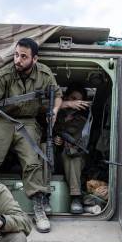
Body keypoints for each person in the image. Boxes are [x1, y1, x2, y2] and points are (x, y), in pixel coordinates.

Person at [0, 38, 62, 233]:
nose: (18, 60)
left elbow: (57, 95)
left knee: (32, 161)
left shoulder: (45, 74)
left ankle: (39, 210)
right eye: (16, 55)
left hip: (28, 121)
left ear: (35, 59)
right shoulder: (5, 73)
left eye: (24, 56)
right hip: (3, 119)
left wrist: (54, 111)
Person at [53, 85, 92, 213]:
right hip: (52, 157)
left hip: (71, 157)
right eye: (73, 98)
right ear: (65, 97)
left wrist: (63, 142)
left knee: (72, 156)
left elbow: (79, 143)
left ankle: (76, 197)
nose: (75, 103)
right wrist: (54, 140)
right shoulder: (53, 112)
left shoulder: (83, 119)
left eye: (78, 101)